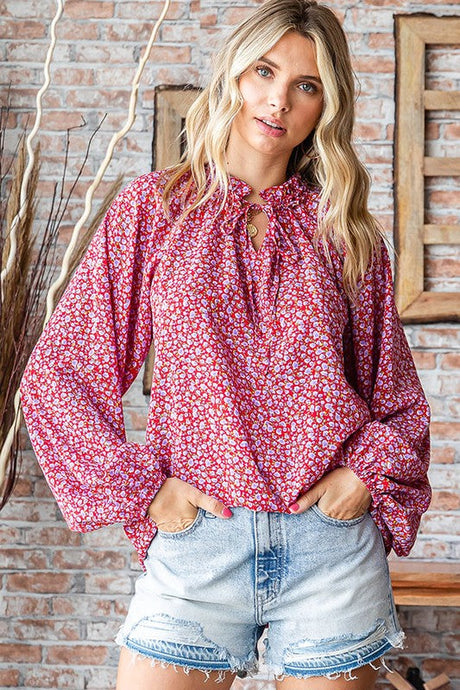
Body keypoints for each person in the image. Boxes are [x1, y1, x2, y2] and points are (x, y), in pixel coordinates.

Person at [20, 0, 432, 688]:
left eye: (306, 85)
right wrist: (147, 492)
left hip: (328, 552)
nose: (278, 100)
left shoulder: (347, 233)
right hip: (198, 547)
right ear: (233, 76)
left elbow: (395, 397)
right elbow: (59, 375)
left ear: (325, 106)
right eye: (264, 72)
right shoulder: (153, 210)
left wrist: (365, 476)